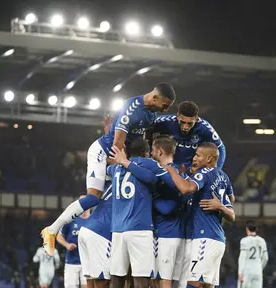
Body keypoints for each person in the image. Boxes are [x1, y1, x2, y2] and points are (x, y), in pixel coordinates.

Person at [41, 83, 176, 256]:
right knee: (92, 198)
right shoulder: (131, 108)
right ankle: (52, 231)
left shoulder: (151, 114)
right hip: (103, 153)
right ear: (155, 97)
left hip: (121, 157)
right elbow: (116, 146)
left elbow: (143, 140)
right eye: (165, 105)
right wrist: (125, 166)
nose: (165, 109)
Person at [107, 139, 178, 288]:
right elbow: (173, 183)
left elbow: (106, 167)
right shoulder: (149, 164)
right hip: (139, 228)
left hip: (117, 229)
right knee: (141, 277)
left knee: (117, 277)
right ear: (146, 153)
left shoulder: (114, 169)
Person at [163, 142, 235, 288]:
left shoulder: (205, 172)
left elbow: (186, 189)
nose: (194, 158)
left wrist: (171, 170)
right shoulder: (223, 177)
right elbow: (232, 205)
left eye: (198, 155)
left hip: (204, 237)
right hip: (217, 240)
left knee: (193, 283)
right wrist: (220, 206)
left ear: (209, 159)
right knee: (207, 285)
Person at [151, 136, 187, 288]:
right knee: (175, 281)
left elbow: (168, 208)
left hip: (165, 234)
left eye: (152, 150)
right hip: (180, 235)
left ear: (160, 151)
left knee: (163, 280)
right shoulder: (181, 173)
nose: (151, 153)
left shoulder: (162, 174)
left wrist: (150, 200)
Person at [149, 101, 226, 169]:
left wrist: (216, 171)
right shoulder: (166, 122)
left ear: (196, 119)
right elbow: (146, 127)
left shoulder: (205, 128)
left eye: (190, 123)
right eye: (182, 122)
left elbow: (220, 148)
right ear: (177, 116)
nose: (185, 127)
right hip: (167, 168)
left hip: (190, 171)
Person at [78, 181, 112, 288]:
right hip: (100, 233)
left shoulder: (106, 183)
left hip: (85, 229)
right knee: (102, 280)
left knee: (90, 280)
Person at [56, 195, 90, 288]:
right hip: (71, 262)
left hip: (87, 262)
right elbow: (59, 236)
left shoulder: (94, 220)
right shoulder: (71, 219)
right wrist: (67, 245)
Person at [238, 220, 268, 288]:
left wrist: (240, 273)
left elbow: (242, 258)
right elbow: (266, 258)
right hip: (258, 269)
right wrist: (260, 267)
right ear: (256, 229)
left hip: (247, 269)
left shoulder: (244, 241)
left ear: (247, 229)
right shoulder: (262, 241)